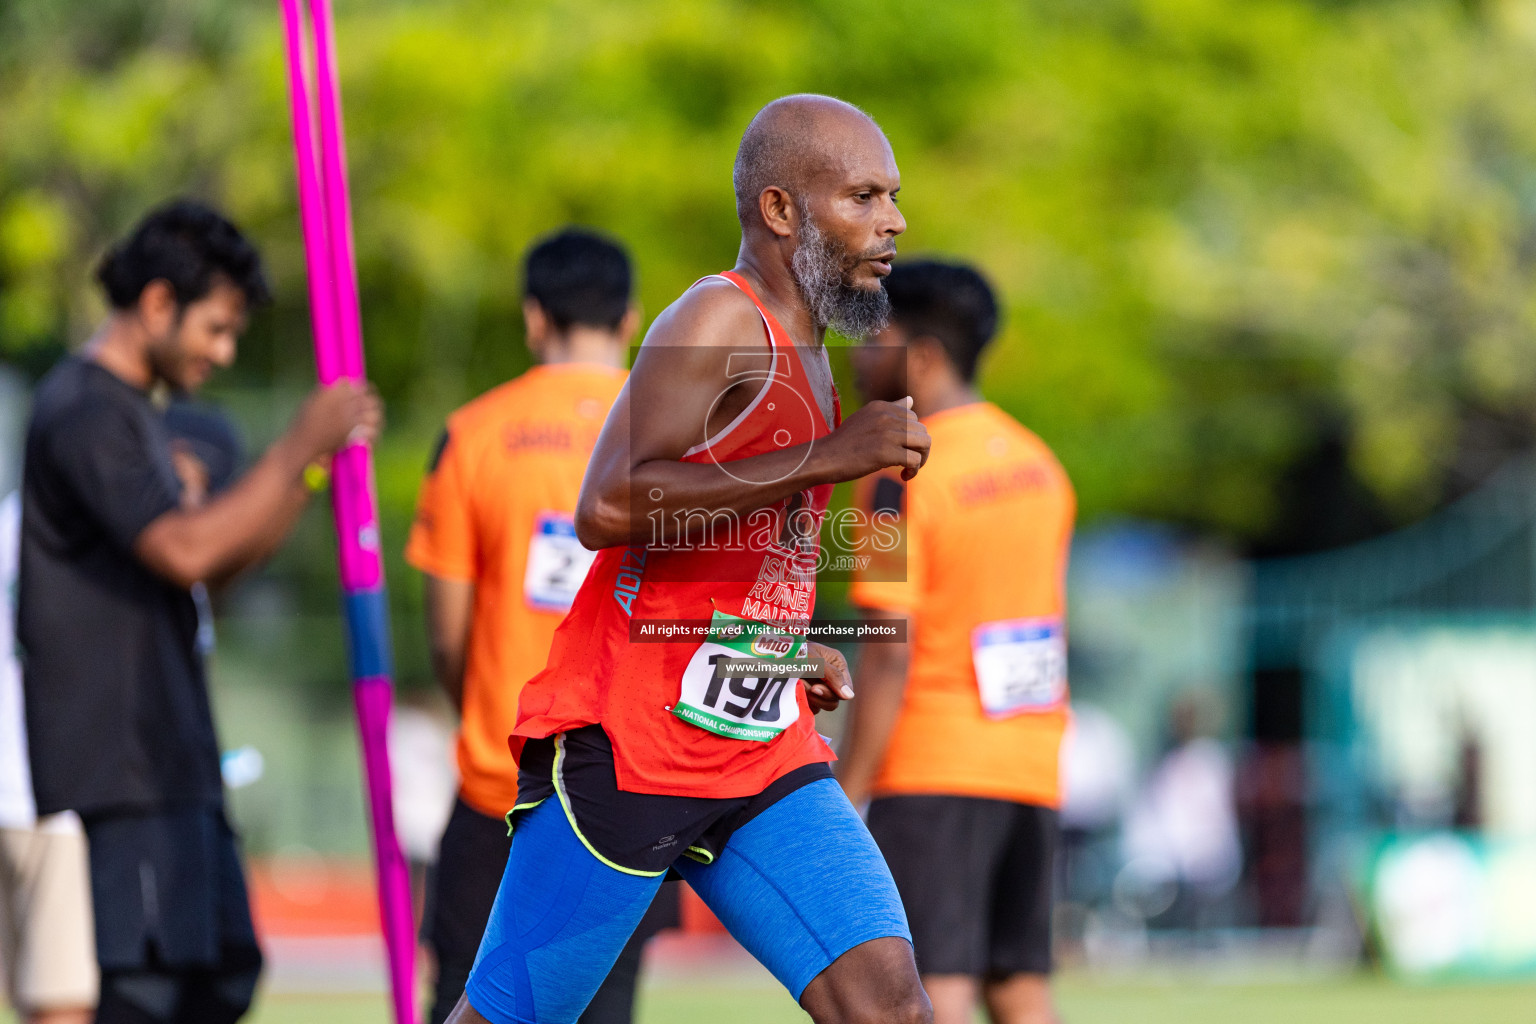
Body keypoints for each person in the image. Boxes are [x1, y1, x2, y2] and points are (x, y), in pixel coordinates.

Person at [445, 94, 934, 1024]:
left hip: (758, 747)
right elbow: (608, 505)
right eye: (865, 196)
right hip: (633, 747)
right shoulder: (717, 318)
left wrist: (789, 654)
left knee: (890, 1006)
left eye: (894, 197)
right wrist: (835, 457)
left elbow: (736, 563)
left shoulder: (817, 349)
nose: (894, 222)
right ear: (782, 210)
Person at [17, 200, 381, 1024]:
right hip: (119, 767)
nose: (222, 353)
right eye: (214, 330)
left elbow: (207, 571)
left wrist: (309, 470)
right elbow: (184, 549)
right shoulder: (84, 409)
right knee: (144, 996)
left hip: (175, 760)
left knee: (221, 976)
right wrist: (295, 443)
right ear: (155, 304)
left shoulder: (138, 414)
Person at [407, 228, 674, 1024]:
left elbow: (449, 634)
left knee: (470, 1000)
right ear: (631, 320)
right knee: (604, 1005)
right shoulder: (679, 437)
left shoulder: (473, 433)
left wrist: (485, 700)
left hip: (502, 776)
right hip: (630, 784)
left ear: (533, 318)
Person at [837, 259, 1077, 1024]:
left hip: (933, 767)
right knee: (1020, 985)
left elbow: (887, 648)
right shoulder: (1042, 467)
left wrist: (850, 790)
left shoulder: (890, 475)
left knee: (929, 987)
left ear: (924, 357)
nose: (856, 356)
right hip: (1031, 764)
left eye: (874, 338)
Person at [0, 491, 96, 1024]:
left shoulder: (11, 518)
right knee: (61, 1000)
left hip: (21, 779)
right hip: (55, 788)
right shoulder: (95, 518)